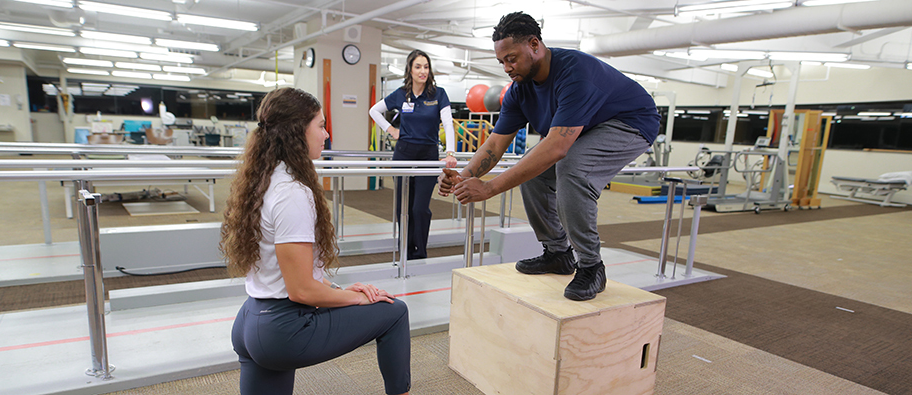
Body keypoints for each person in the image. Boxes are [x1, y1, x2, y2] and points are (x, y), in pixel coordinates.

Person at [439, 12, 661, 301]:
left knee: (572, 167)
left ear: (534, 44)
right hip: (588, 127)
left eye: (512, 58)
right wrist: (465, 176)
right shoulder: (520, 90)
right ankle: (558, 254)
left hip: (630, 122)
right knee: (531, 173)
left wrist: (491, 187)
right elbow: (494, 144)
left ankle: (592, 266)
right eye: (502, 61)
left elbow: (557, 147)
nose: (507, 67)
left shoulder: (574, 71)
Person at [221, 87, 411, 395]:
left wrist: (338, 289)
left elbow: (292, 279)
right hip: (283, 329)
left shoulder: (265, 179)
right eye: (321, 125)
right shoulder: (292, 193)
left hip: (251, 322)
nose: (326, 134)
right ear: (297, 132)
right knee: (394, 312)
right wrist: (358, 298)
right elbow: (301, 290)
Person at [369, 49, 457, 260]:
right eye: (418, 66)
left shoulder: (438, 94)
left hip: (428, 154)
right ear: (410, 69)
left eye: (426, 67)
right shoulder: (401, 94)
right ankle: (405, 250)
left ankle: (420, 251)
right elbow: (374, 110)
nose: (422, 71)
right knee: (403, 206)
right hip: (404, 153)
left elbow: (447, 123)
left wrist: (450, 152)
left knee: (419, 208)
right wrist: (391, 130)